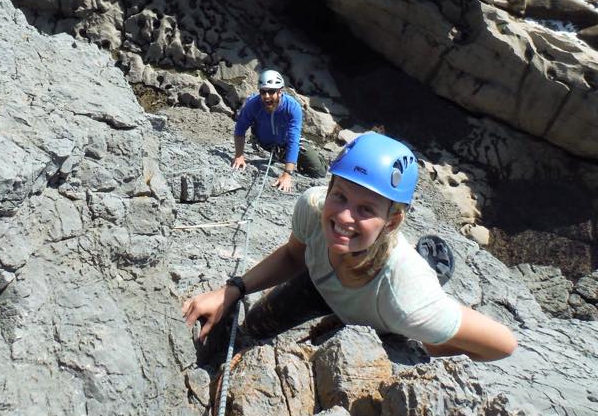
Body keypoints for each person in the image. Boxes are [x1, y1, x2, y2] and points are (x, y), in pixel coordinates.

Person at [183, 132, 517, 363]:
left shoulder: (408, 303)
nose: (344, 216)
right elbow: (291, 256)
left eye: (366, 209)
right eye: (340, 196)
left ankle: (429, 266)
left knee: (410, 287)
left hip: (375, 312)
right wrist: (232, 291)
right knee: (254, 326)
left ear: (392, 222)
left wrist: (422, 344)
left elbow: (502, 345)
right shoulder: (314, 208)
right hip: (322, 281)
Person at [232, 69, 325, 193]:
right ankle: (285, 157)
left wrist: (287, 174)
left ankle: (316, 158)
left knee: (319, 172)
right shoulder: (253, 105)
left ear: (280, 91)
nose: (266, 96)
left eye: (271, 91)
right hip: (264, 143)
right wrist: (239, 156)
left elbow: (293, 140)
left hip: (286, 143)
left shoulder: (292, 107)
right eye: (263, 92)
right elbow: (240, 129)